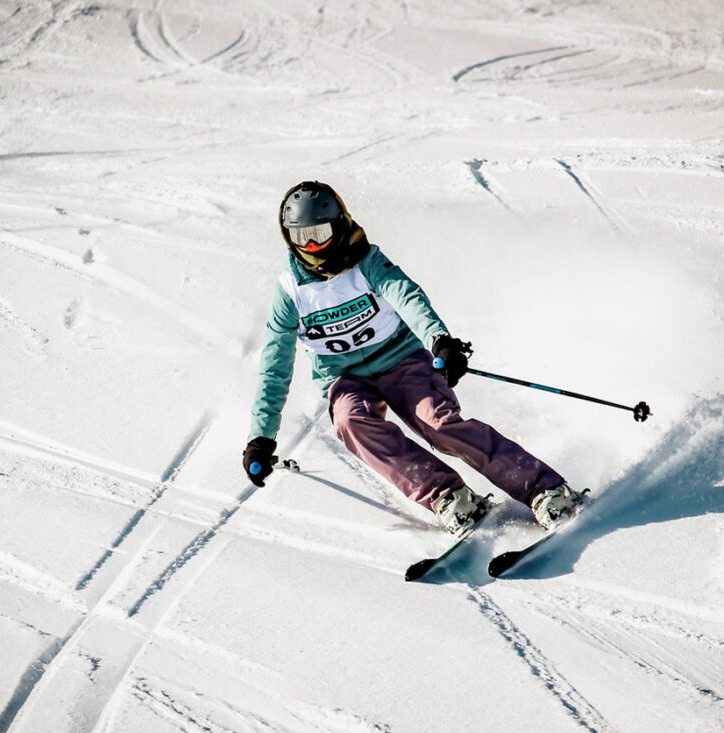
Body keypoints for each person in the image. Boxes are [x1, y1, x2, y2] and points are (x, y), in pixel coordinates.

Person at [243, 180, 581, 533]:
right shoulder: (291, 292)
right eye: (302, 237)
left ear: (339, 224)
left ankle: (544, 488)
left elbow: (407, 297)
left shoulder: (366, 262)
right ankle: (448, 496)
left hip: (401, 360)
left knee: (438, 423)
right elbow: (274, 367)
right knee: (349, 423)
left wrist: (440, 342)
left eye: (320, 233)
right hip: (345, 378)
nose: (312, 246)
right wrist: (261, 438)